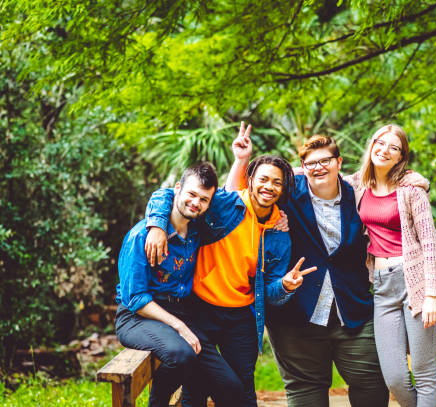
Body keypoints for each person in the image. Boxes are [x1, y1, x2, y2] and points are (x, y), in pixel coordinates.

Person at [226, 123, 391, 407]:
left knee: (372, 384)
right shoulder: (288, 191)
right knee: (305, 392)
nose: (318, 167)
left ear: (339, 162)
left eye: (325, 160)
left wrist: (416, 181)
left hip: (351, 309)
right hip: (295, 314)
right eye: (311, 163)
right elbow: (236, 199)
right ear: (302, 166)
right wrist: (241, 160)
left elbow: (394, 185)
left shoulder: (360, 194)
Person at [144, 152, 316, 407]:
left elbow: (268, 293)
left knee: (243, 388)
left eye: (276, 182)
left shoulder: (280, 234)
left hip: (241, 316)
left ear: (282, 188)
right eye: (263, 179)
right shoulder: (226, 204)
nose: (268, 187)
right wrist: (157, 225)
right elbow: (168, 194)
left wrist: (285, 286)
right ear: (250, 179)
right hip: (200, 308)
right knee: (195, 386)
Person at [345, 124, 436, 407]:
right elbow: (323, 172)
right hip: (382, 285)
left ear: (401, 157)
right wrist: (291, 169)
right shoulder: (360, 186)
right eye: (380, 142)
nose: (384, 150)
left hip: (415, 282)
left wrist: (431, 294)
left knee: (424, 373)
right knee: (395, 378)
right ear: (371, 144)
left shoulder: (412, 190)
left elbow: (430, 243)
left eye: (394, 147)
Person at [115, 162, 217, 407]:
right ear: (178, 189)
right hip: (136, 316)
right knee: (180, 355)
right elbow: (136, 299)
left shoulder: (194, 231)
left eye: (203, 199)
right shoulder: (142, 236)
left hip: (178, 309)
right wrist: (179, 326)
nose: (196, 202)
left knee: (204, 367)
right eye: (192, 194)